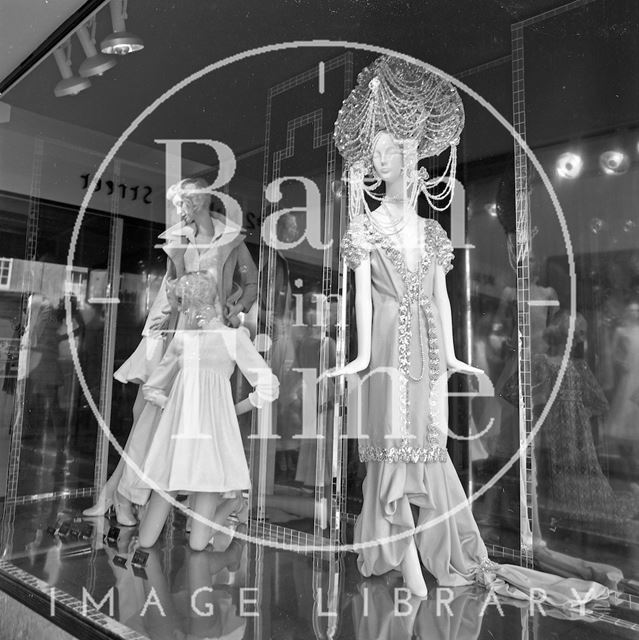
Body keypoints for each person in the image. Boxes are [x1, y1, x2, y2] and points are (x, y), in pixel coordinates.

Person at [328, 55, 609, 607]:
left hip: (429, 352)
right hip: (386, 346)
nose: (383, 159)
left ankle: (424, 560)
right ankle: (407, 567)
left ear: (411, 160)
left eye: (392, 150)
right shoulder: (364, 227)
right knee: (391, 450)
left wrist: (454, 358)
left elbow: (440, 298)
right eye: (377, 152)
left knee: (425, 450)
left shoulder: (431, 233)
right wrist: (360, 359)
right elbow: (363, 297)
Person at [83, 178, 258, 524]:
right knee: (151, 417)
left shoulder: (230, 239)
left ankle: (131, 497)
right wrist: (158, 335)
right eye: (178, 203)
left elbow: (250, 282)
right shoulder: (180, 239)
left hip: (209, 337)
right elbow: (169, 291)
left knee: (167, 421)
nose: (180, 209)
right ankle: (125, 496)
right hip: (178, 334)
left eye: (184, 201)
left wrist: (236, 308)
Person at [134, 273, 278, 550]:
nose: (188, 311)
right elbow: (152, 387)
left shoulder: (233, 339)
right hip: (179, 435)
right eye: (186, 305)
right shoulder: (182, 341)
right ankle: (232, 504)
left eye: (187, 305)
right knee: (146, 539)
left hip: (211, 438)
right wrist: (174, 406)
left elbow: (268, 385)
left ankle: (233, 505)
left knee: (198, 544)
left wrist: (233, 410)